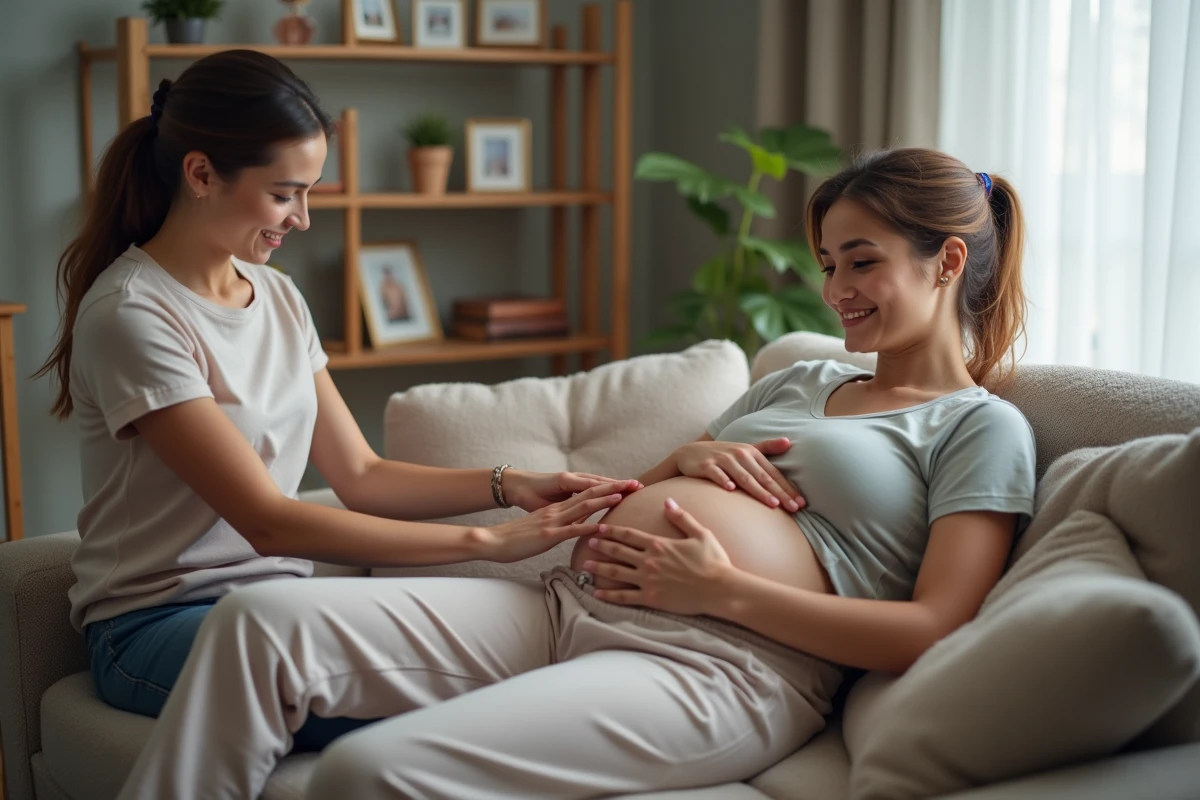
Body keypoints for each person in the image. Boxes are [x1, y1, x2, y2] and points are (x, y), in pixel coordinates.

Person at [115, 147, 1038, 800]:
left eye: (863, 262)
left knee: (368, 775)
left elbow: (931, 629)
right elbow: (636, 499)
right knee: (256, 624)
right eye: (830, 262)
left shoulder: (978, 427)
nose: (836, 288)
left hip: (726, 665)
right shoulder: (802, 375)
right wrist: (678, 458)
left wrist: (724, 591)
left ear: (947, 260)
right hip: (564, 603)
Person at [36, 49, 640, 757]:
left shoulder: (280, 297)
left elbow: (360, 475)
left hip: (282, 608)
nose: (304, 218)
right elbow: (267, 521)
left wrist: (510, 486)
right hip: (154, 628)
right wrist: (488, 543)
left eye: (311, 192)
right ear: (201, 174)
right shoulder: (133, 316)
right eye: (286, 193)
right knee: (457, 726)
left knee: (510, 672)